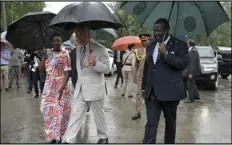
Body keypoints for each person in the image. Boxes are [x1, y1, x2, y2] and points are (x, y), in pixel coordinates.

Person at [142, 18, 189, 143]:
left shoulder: (180, 45)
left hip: (170, 94)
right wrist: (143, 87)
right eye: (155, 30)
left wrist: (167, 54)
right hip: (152, 93)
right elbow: (148, 67)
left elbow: (183, 64)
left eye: (160, 30)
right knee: (151, 125)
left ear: (167, 30)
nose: (156, 33)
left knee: (170, 125)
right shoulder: (151, 44)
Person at [62, 24, 110, 144]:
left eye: (82, 36)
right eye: (77, 36)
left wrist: (94, 62)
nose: (79, 38)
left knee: (99, 115)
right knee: (75, 115)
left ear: (88, 35)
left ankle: (103, 137)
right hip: (80, 89)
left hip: (95, 89)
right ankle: (68, 140)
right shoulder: (76, 50)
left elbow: (107, 69)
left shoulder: (100, 49)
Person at [39, 33, 71, 143]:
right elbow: (41, 70)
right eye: (54, 41)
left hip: (61, 84)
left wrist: (62, 88)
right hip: (49, 86)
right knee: (46, 109)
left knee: (59, 112)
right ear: (51, 42)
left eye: (58, 40)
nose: (56, 42)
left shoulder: (65, 53)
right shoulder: (47, 52)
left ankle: (59, 136)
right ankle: (52, 135)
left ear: (62, 42)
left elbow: (67, 73)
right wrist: (43, 58)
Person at [132, 34, 150, 120]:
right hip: (140, 75)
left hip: (150, 76)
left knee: (150, 95)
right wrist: (134, 76)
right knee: (139, 94)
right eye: (142, 41)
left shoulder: (153, 49)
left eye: (145, 40)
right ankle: (137, 112)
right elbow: (135, 65)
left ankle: (151, 112)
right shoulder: (137, 51)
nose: (144, 42)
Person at [183, 39, 201, 103]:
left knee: (190, 85)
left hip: (192, 71)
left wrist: (190, 73)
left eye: (187, 43)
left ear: (189, 44)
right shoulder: (192, 50)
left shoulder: (193, 51)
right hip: (192, 71)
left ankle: (191, 99)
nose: (186, 44)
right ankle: (197, 97)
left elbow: (192, 63)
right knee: (193, 84)